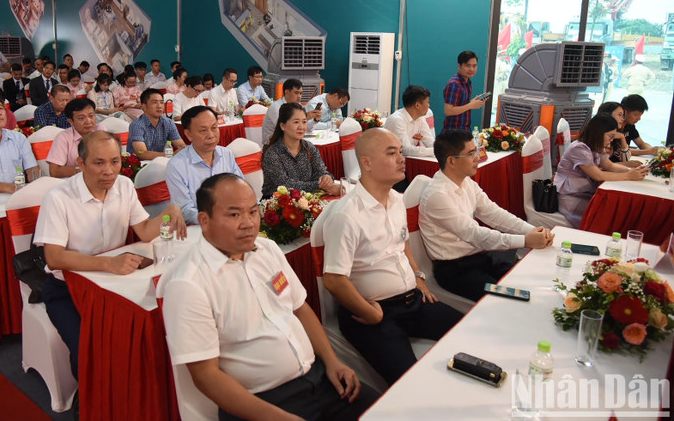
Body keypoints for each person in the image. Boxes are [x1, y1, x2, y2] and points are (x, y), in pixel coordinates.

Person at [158, 173, 378, 420]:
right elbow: (206, 377)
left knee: (386, 411)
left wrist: (332, 362)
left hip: (318, 379)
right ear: (204, 221)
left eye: (253, 212)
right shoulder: (188, 284)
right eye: (234, 215)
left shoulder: (267, 250)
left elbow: (300, 309)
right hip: (262, 403)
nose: (248, 223)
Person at [35, 130, 186, 380]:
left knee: (145, 330)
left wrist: (169, 212)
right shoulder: (58, 198)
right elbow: (54, 257)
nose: (109, 171)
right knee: (88, 347)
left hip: (114, 284)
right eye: (98, 163)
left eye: (115, 161)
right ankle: (88, 401)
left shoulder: (125, 185)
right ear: (81, 163)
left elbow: (145, 232)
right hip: (67, 289)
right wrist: (108, 263)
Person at [323, 128, 463, 384]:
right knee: (411, 383)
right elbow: (333, 279)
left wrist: (419, 276)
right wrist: (371, 313)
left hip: (413, 302)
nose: (402, 158)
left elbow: (402, 243)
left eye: (400, 151)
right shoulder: (347, 215)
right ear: (366, 163)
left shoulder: (397, 199)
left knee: (467, 331)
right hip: (372, 313)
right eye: (391, 153)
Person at [419, 130, 554, 301]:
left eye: (476, 151)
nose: (477, 157)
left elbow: (494, 214)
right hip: (455, 270)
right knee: (507, 298)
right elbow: (475, 235)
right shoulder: (437, 195)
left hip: (480, 258)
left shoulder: (466, 182)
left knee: (527, 283)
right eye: (470, 154)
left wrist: (534, 230)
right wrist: (526, 241)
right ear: (451, 161)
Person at [554, 113, 649, 227]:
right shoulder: (579, 148)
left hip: (584, 192)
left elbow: (610, 166)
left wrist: (631, 170)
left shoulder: (596, 145)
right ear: (598, 133)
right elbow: (598, 175)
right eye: (610, 136)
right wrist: (629, 175)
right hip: (571, 196)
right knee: (607, 214)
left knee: (614, 209)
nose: (611, 140)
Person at [166, 106, 243, 223]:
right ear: (188, 134)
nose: (211, 135)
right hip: (199, 229)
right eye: (203, 130)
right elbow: (185, 209)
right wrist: (216, 219)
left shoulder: (226, 154)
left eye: (214, 128)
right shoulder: (177, 165)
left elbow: (240, 189)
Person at [261, 103, 338, 198]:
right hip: (277, 206)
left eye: (304, 122)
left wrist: (327, 178)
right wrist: (321, 185)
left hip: (305, 200)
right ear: (283, 126)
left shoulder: (309, 147)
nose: (301, 127)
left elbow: (320, 171)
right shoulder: (273, 153)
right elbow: (287, 186)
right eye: (296, 122)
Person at [46, 98, 104, 177]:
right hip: (73, 183)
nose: (88, 121)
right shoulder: (63, 137)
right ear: (71, 121)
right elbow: (54, 171)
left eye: (91, 116)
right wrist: (85, 169)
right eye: (81, 118)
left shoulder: (100, 130)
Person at [127, 88, 184, 159]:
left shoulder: (168, 123)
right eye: (155, 102)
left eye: (161, 102)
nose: (159, 106)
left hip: (158, 162)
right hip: (139, 165)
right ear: (144, 107)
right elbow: (141, 153)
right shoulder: (137, 125)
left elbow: (181, 145)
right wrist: (170, 155)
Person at [262, 78, 320, 145]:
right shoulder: (276, 107)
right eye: (296, 93)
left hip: (291, 143)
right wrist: (305, 118)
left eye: (301, 93)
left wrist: (315, 119)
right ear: (287, 92)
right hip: (272, 145)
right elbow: (285, 129)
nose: (299, 96)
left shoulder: (299, 106)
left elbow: (307, 129)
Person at [384, 85, 435, 157]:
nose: (428, 106)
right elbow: (406, 150)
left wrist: (440, 149)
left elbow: (430, 142)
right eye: (427, 102)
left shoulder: (420, 118)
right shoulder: (397, 120)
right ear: (417, 105)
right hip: (388, 161)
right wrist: (435, 151)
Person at [443, 51, 486, 132]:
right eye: (467, 66)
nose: (471, 69)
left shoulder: (467, 82)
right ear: (459, 66)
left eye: (474, 66)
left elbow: (460, 104)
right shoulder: (454, 84)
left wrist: (473, 102)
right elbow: (448, 111)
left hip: (464, 129)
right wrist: (470, 105)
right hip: (453, 132)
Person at [596, 101, 642, 167]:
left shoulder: (616, 134)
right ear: (607, 114)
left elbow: (625, 159)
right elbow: (599, 166)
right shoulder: (597, 134)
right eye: (619, 115)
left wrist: (622, 137)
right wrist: (624, 165)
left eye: (623, 116)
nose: (623, 119)